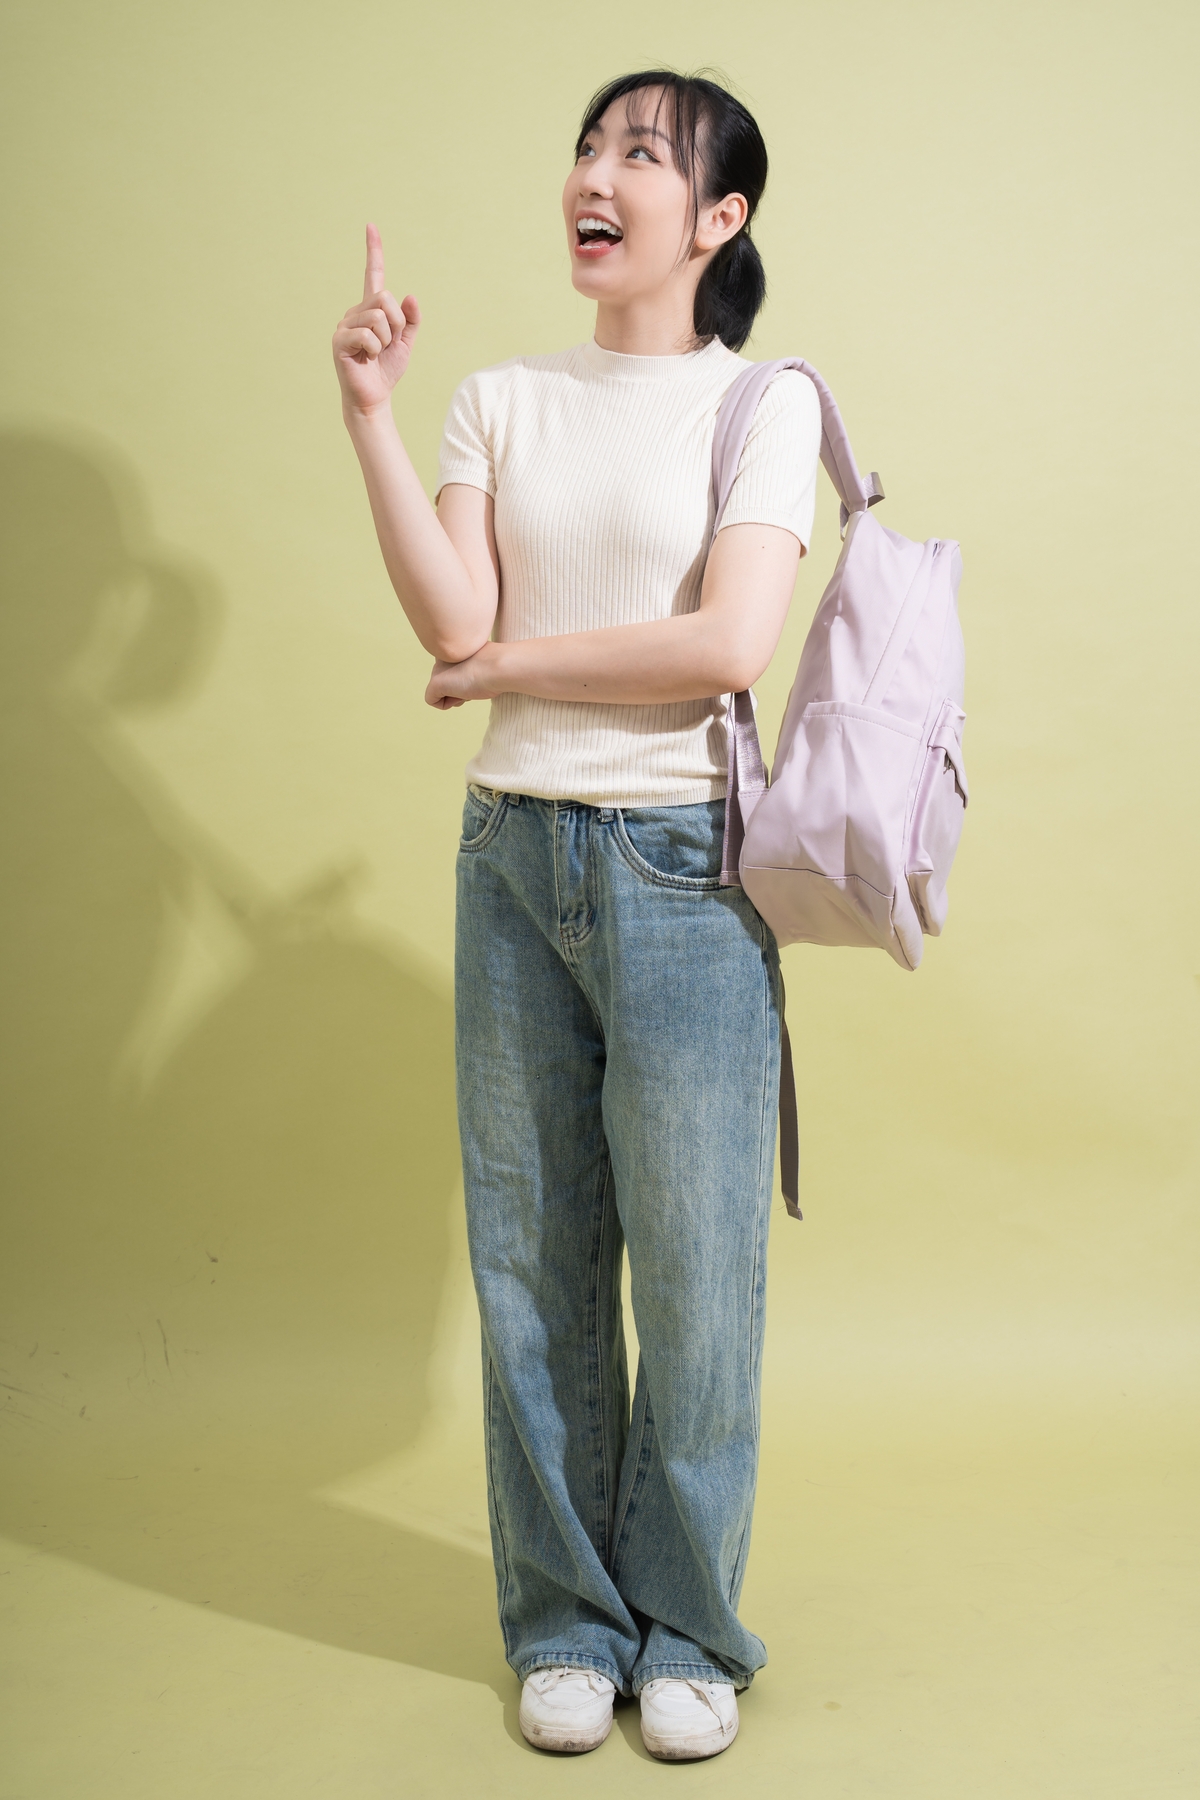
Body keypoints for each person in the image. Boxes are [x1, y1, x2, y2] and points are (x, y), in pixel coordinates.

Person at [332, 68, 821, 1762]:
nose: (595, 179)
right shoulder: (498, 398)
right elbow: (453, 604)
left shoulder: (762, 407)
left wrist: (503, 669)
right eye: (590, 148)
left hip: (686, 871)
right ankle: (563, 1618)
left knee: (694, 1278)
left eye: (642, 157)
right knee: (534, 1269)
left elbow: (724, 648)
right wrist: (376, 420)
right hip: (511, 863)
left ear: (720, 218)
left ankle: (688, 1627)